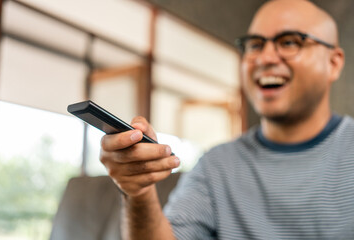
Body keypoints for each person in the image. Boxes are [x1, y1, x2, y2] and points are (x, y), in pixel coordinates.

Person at [99, 0, 354, 239]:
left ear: (333, 63)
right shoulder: (215, 167)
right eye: (255, 45)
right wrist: (138, 194)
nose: (264, 58)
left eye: (289, 42)